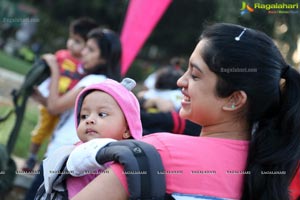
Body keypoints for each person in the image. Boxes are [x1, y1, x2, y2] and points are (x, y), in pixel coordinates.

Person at [66, 23, 300, 200]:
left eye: (195, 75)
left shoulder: (159, 153)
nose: (181, 81)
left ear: (234, 99)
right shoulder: (273, 176)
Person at [23, 27, 122, 200]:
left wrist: (55, 68)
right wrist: (42, 99)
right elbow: (64, 110)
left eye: (91, 49)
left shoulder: (92, 82)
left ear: (104, 58)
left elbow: (54, 107)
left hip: (63, 156)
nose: (83, 52)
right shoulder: (104, 84)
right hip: (71, 156)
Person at [22, 17, 98, 172]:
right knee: (42, 129)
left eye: (77, 41)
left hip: (66, 108)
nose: (71, 43)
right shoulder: (61, 56)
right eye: (71, 38)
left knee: (56, 136)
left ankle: (47, 160)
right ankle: (31, 157)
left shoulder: (85, 66)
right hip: (50, 100)